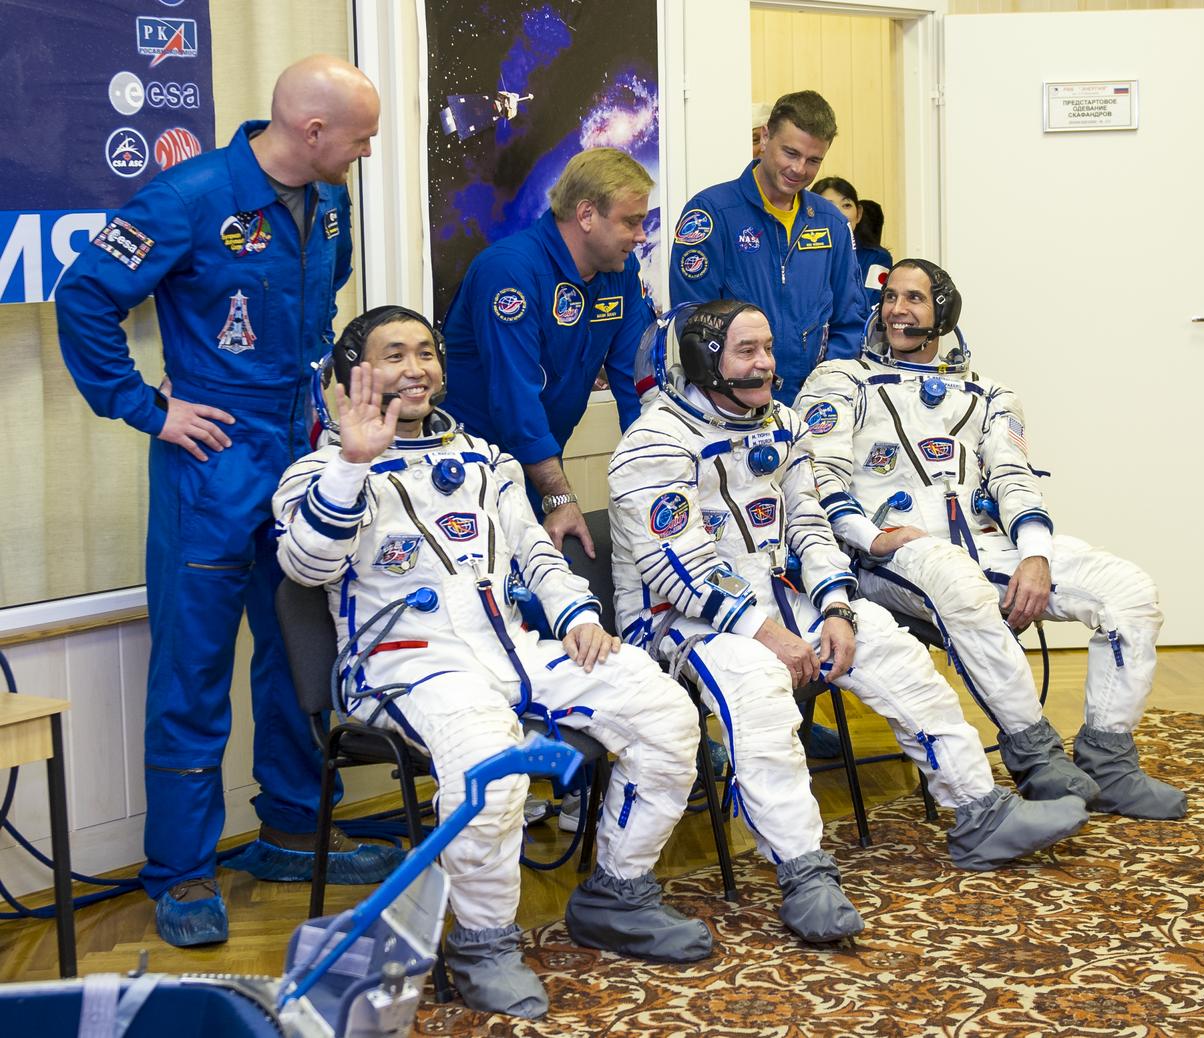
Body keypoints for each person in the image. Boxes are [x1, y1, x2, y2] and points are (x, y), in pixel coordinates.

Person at [274, 306, 711, 1018]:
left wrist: (576, 616)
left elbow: (536, 552)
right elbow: (304, 563)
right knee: (491, 770)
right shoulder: (317, 474)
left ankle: (616, 894)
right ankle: (483, 945)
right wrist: (353, 464)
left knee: (663, 710)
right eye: (393, 355)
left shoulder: (486, 460)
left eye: (425, 352)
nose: (414, 369)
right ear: (353, 373)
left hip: (512, 652)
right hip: (403, 667)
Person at [55, 55, 397, 948]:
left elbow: (319, 313)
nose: (369, 150)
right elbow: (86, 299)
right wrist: (150, 409)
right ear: (314, 132)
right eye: (360, 136)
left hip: (301, 461)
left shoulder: (330, 202)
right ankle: (181, 873)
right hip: (211, 469)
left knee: (296, 658)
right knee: (192, 675)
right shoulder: (187, 196)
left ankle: (290, 832)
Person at [610, 300, 1088, 897]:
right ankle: (803, 870)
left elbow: (809, 524)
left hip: (782, 602)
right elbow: (673, 566)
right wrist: (766, 632)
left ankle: (980, 812)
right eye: (746, 352)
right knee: (761, 698)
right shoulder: (653, 444)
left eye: (767, 349)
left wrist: (837, 605)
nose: (766, 365)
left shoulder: (779, 423)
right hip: (682, 622)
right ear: (705, 361)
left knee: (891, 648)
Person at [793, 260, 1186, 820]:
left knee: (1129, 590)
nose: (898, 310)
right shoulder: (839, 381)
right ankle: (1035, 754)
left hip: (982, 546)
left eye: (915, 299)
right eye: (891, 298)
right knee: (957, 582)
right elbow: (819, 479)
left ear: (944, 312)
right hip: (886, 556)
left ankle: (1109, 759)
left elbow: (1011, 477)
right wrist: (871, 538)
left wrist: (1035, 555)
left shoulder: (989, 394)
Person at [442, 147, 655, 557]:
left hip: (540, 460)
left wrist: (657, 469)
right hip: (470, 473)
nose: (642, 235)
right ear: (587, 214)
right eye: (631, 221)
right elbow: (514, 396)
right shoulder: (510, 270)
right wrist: (559, 496)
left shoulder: (621, 272)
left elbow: (634, 380)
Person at [669, 91, 870, 409]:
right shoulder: (712, 214)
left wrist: (826, 391)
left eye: (814, 160)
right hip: (733, 405)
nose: (800, 169)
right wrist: (740, 395)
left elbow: (850, 320)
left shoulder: (831, 223)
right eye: (790, 153)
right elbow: (693, 321)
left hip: (814, 406)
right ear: (765, 138)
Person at [812, 176, 893, 306]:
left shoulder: (876, 258)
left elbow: (869, 306)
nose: (839, 214)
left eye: (846, 205)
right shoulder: (798, 254)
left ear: (859, 214)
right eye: (828, 205)